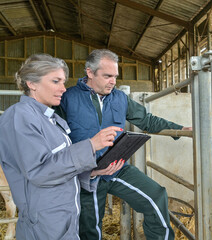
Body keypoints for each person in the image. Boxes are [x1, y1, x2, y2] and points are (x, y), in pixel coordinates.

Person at [56, 49, 191, 240]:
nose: (113, 81)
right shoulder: (68, 98)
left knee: (156, 196)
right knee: (89, 228)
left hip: (117, 167)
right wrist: (82, 169)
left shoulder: (119, 97)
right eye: (107, 76)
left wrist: (179, 129)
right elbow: (56, 139)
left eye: (115, 76)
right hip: (86, 173)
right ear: (90, 72)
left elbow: (147, 120)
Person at [0, 54, 125, 239]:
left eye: (63, 82)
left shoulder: (50, 118)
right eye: (56, 81)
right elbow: (39, 171)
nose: (63, 89)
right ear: (31, 83)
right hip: (44, 223)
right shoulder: (20, 116)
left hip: (63, 218)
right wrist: (91, 145)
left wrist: (92, 172)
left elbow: (57, 166)